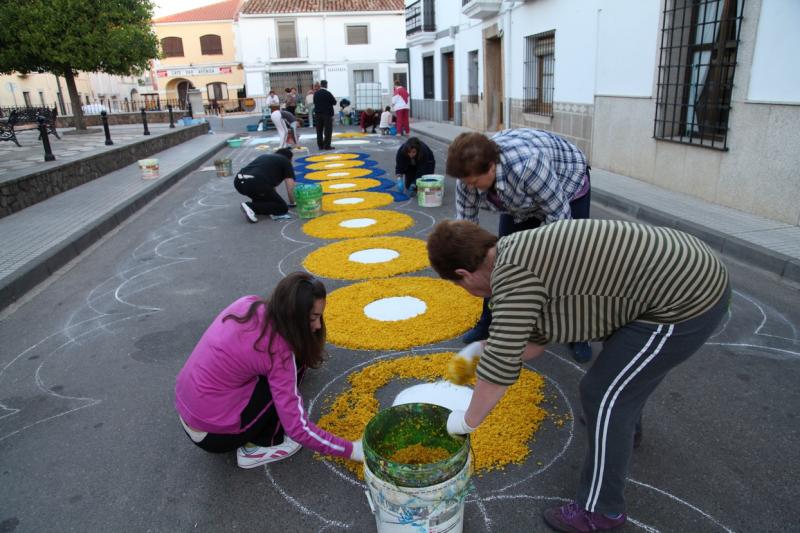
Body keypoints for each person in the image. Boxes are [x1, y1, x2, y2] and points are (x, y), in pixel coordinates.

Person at [427, 218, 730, 533]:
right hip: (679, 272)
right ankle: (623, 426)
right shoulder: (512, 250)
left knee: (602, 395)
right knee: (617, 391)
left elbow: (499, 372)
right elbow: (530, 344)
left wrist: (465, 422)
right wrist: (479, 348)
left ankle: (601, 512)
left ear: (464, 274)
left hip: (688, 298)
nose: (468, 292)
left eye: (459, 286)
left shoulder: (512, 279)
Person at [175, 272, 365, 469]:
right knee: (293, 367)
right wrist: (352, 450)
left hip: (188, 412)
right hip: (215, 437)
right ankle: (261, 446)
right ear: (294, 315)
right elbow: (298, 428)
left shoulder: (247, 303)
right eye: (313, 318)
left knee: (281, 365)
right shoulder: (279, 352)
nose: (318, 325)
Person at [447, 129, 594, 364]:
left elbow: (560, 222)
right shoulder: (468, 178)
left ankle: (579, 334)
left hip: (568, 185)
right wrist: (468, 266)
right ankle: (488, 321)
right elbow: (467, 228)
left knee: (573, 262)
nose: (470, 188)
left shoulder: (528, 165)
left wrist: (540, 263)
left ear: (491, 167)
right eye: (467, 183)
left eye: (475, 182)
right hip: (519, 202)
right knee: (499, 258)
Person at [233, 148, 296, 223]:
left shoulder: (265, 157)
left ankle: (255, 206)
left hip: (239, 182)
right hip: (255, 183)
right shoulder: (286, 161)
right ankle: (251, 207)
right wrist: (293, 202)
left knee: (267, 200)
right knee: (282, 207)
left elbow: (270, 188)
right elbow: (290, 188)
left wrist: (273, 197)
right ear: (290, 159)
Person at [313, 80, 337, 150]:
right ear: (326, 85)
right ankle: (327, 145)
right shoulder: (328, 93)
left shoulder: (316, 93)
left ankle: (320, 146)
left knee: (319, 130)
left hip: (318, 114)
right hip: (327, 114)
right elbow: (334, 102)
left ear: (320, 85)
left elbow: (314, 102)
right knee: (328, 130)